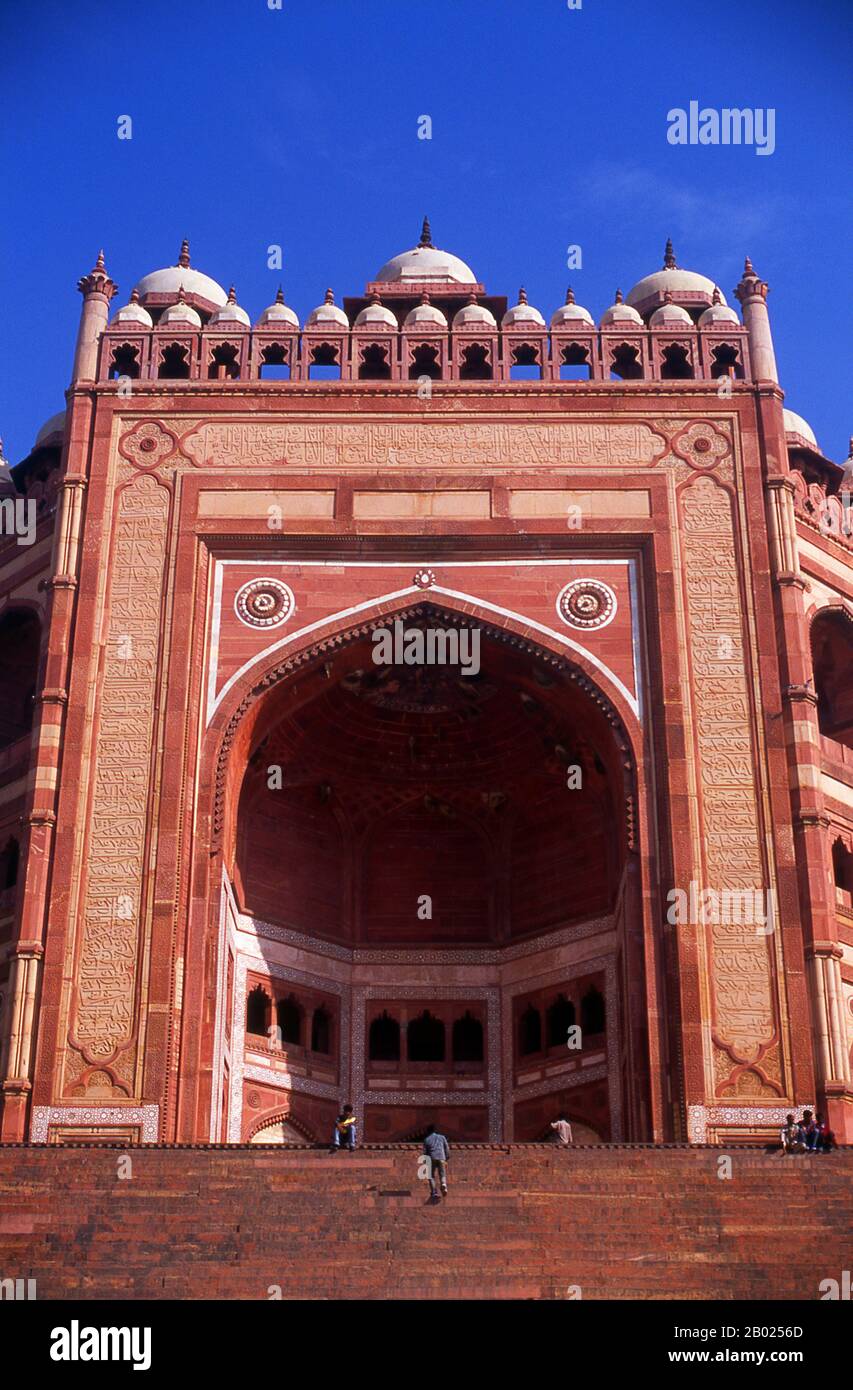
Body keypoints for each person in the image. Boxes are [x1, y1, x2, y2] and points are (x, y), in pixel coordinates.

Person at [423, 1123, 450, 1200]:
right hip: (441, 1157)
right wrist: (446, 1158)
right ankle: (443, 1184)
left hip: (432, 1157)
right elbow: (446, 1148)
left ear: (428, 1131)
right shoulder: (442, 1137)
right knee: (442, 1173)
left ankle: (434, 1192)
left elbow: (425, 1152)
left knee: (431, 1175)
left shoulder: (427, 1139)